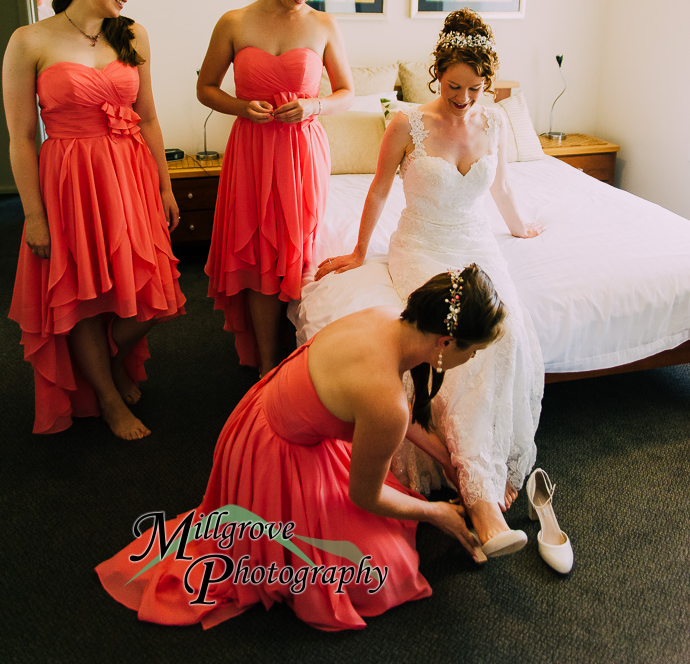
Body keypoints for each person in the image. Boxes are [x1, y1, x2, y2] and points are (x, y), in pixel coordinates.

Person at [95, 266, 505, 631]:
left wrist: (444, 458)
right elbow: (364, 494)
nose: (470, 360)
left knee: (392, 524)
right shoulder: (387, 404)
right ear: (445, 343)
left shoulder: (385, 319)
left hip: (256, 419)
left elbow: (384, 410)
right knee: (385, 570)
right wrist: (437, 514)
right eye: (472, 351)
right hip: (273, 457)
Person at [314, 8, 545, 554]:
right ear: (437, 73)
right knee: (452, 334)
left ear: (487, 83)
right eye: (452, 85)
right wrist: (355, 251)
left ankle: (478, 474)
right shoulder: (406, 124)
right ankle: (481, 498)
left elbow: (502, 189)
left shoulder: (494, 122)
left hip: (476, 244)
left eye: (473, 88)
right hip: (422, 246)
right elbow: (375, 191)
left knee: (501, 334)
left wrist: (520, 228)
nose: (462, 98)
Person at [3, 0, 185, 440]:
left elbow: (147, 118)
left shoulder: (132, 34)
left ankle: (104, 360)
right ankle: (107, 398)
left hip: (129, 174)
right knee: (84, 293)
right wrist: (34, 215)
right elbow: (20, 138)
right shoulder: (29, 40)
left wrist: (164, 187)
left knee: (156, 295)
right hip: (69, 181)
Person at [198, 0, 354, 377]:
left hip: (301, 150)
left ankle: (303, 356)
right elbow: (205, 88)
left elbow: (346, 91)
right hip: (251, 149)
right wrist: (240, 106)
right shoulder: (234, 22)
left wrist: (313, 105)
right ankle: (267, 364)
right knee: (259, 254)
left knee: (298, 249)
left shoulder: (323, 24)